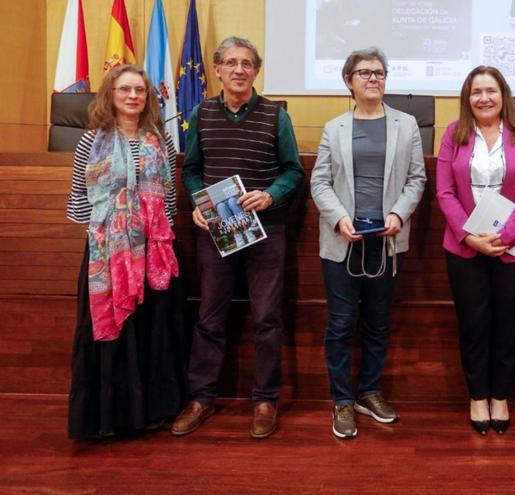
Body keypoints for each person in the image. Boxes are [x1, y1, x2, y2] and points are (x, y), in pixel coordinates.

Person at [172, 36, 305, 439]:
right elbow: (192, 168)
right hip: (217, 231)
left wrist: (270, 194)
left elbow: (294, 171)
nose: (238, 70)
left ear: (256, 71)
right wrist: (199, 201)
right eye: (230, 63)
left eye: (247, 63)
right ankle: (201, 398)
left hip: (266, 231)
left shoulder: (275, 115)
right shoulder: (201, 113)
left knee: (267, 318)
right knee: (210, 317)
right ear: (217, 70)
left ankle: (265, 399)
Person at [65, 64, 187, 439]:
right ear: (110, 94)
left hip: (153, 252)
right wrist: (112, 234)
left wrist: (153, 237)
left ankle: (150, 412)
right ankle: (108, 418)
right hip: (109, 254)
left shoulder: (159, 138)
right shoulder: (92, 140)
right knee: (113, 332)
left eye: (140, 90)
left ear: (148, 97)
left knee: (152, 329)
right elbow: (79, 202)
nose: (133, 96)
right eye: (125, 90)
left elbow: (168, 197)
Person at [311, 47, 426, 439]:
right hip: (343, 240)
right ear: (349, 81)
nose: (373, 78)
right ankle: (342, 400)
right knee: (341, 324)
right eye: (364, 73)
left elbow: (417, 179)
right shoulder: (334, 127)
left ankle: (369, 392)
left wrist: (399, 214)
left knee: (378, 323)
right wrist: (340, 219)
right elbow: (320, 182)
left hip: (387, 240)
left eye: (379, 72)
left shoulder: (406, 124)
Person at [435, 66, 515, 436]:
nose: (484, 97)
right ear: (467, 98)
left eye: (491, 91)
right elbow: (445, 192)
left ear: (503, 95)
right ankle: (478, 395)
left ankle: (501, 395)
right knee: (474, 325)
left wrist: (506, 235)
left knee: (508, 325)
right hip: (465, 247)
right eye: (476, 91)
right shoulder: (454, 134)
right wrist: (470, 237)